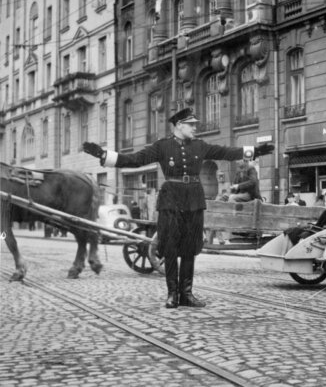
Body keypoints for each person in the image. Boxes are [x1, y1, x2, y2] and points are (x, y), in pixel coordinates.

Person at [82, 108, 273, 309]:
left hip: (193, 200)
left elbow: (225, 152)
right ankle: (172, 294)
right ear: (179, 125)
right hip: (170, 200)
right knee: (171, 248)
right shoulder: (162, 146)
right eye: (191, 124)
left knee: (190, 249)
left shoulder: (200, 146)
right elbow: (135, 159)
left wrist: (255, 151)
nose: (195, 128)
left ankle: (187, 294)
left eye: (195, 124)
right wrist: (104, 155)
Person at [216, 159, 260, 244]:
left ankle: (235, 221)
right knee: (219, 200)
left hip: (249, 195)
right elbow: (234, 186)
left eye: (239, 160)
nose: (237, 162)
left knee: (232, 198)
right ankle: (221, 231)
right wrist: (227, 194)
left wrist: (238, 186)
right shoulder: (238, 171)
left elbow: (253, 182)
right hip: (238, 194)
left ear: (244, 160)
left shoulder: (251, 169)